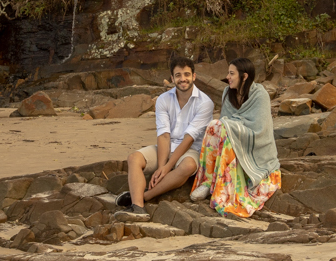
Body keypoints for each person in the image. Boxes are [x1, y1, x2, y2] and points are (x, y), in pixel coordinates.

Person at [117, 56, 214, 214]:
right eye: (178, 75)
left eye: (187, 74)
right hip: (166, 146)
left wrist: (167, 167)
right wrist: (161, 167)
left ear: (194, 76)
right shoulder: (163, 99)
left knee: (188, 166)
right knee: (134, 158)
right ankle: (138, 208)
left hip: (190, 150)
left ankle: (145, 197)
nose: (183, 79)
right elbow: (163, 135)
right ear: (172, 78)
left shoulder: (205, 102)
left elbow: (189, 138)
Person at [190, 57, 281, 218]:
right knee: (215, 126)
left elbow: (259, 129)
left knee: (223, 127)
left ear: (244, 76)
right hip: (232, 139)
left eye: (232, 74)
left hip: (255, 148)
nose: (228, 77)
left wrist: (230, 126)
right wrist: (229, 126)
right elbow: (225, 121)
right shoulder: (228, 93)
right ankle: (208, 181)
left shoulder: (260, 95)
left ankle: (225, 187)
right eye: (228, 73)